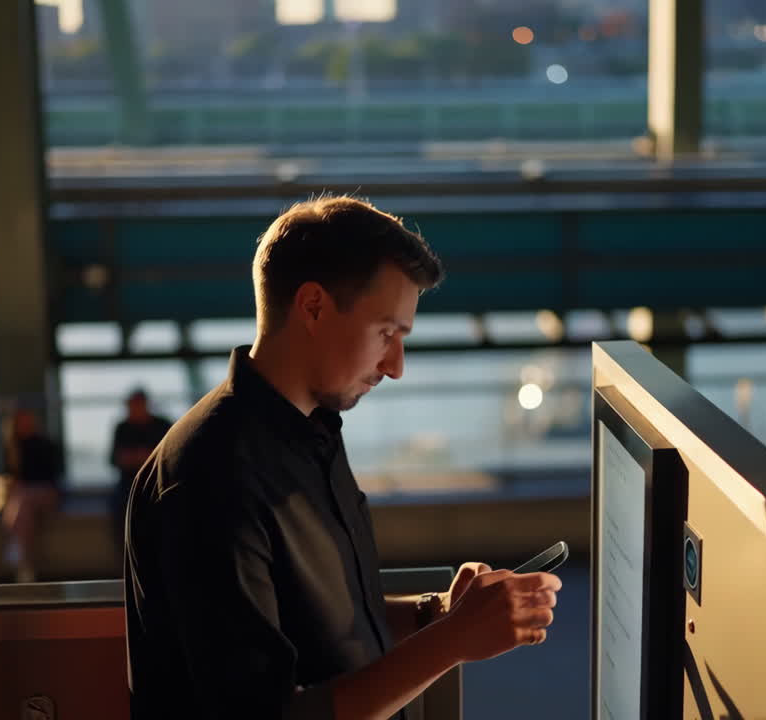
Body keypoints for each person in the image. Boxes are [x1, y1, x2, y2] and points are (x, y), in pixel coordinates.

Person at [125, 196, 562, 719]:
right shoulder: (210, 478)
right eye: (386, 333)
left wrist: (440, 615)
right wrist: (452, 643)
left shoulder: (314, 432)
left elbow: (325, 624)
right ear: (312, 306)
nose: (396, 366)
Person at [1, 408, 63, 582]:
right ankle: (24, 562)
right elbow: (11, 477)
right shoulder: (12, 448)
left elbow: (49, 476)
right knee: (22, 505)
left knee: (22, 501)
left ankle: (19, 554)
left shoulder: (44, 444)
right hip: (24, 498)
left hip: (45, 493)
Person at [108, 388, 172, 554]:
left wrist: (141, 458)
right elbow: (114, 459)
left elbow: (172, 456)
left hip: (159, 482)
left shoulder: (162, 425)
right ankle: (128, 558)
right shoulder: (122, 428)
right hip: (128, 485)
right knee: (123, 512)